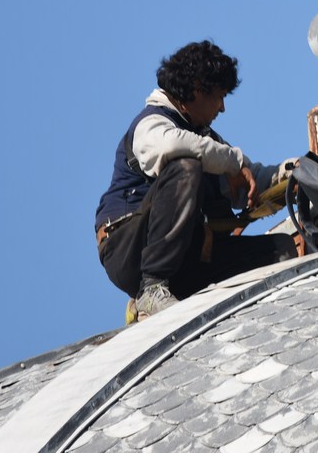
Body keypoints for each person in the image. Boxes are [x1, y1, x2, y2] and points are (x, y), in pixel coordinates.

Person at [95, 41, 296, 320]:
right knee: (185, 167)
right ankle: (151, 290)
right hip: (130, 252)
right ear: (198, 89)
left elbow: (250, 181)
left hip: (187, 259)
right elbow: (171, 147)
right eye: (219, 96)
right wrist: (230, 162)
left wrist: (293, 172)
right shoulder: (151, 123)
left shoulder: (207, 143)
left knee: (281, 251)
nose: (222, 108)